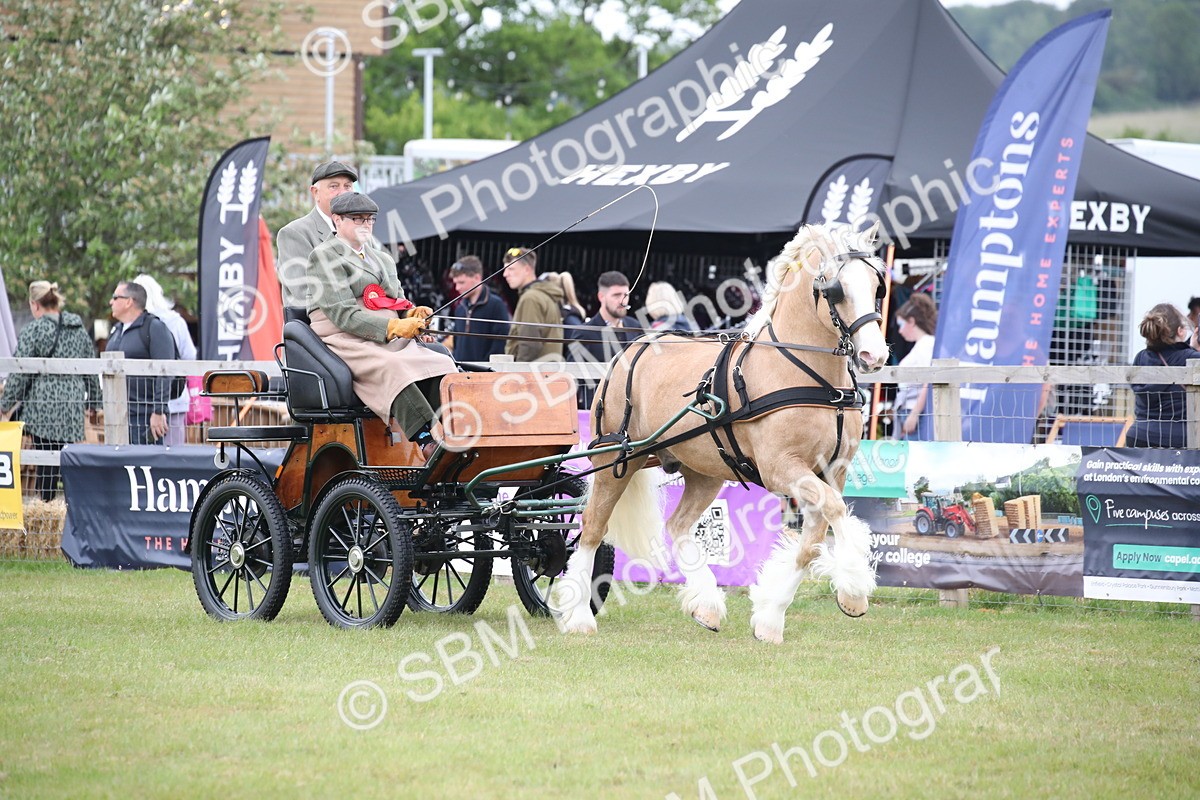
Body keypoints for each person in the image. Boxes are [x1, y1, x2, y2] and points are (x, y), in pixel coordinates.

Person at [307, 193, 456, 459]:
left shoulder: (382, 258)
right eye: (357, 219)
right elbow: (343, 314)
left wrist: (411, 313)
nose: (366, 224)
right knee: (393, 366)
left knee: (441, 363)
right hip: (344, 337)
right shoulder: (324, 257)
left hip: (387, 334)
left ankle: (453, 429)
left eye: (370, 219)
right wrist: (394, 327)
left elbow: (396, 300)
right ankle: (425, 440)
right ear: (337, 220)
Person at [0, 281, 102, 500]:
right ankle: (72, 507)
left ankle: (46, 507)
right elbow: (92, 370)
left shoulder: (34, 330)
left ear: (35, 304)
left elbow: (20, 372)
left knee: (45, 465)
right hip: (72, 408)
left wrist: (5, 405)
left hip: (43, 410)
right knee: (68, 463)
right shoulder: (78, 330)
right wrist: (95, 402)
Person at [277, 160, 357, 315]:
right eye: (334, 186)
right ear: (315, 193)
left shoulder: (361, 230)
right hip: (317, 324)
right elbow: (304, 293)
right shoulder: (294, 233)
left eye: (347, 186)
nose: (343, 193)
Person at [105, 281, 176, 445]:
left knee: (145, 460)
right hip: (117, 415)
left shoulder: (154, 327)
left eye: (115, 297)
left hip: (144, 418)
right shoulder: (117, 330)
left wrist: (158, 411)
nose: (111, 302)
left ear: (129, 301)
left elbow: (165, 371)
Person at [133, 274, 197, 445]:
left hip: (139, 402)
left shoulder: (134, 324)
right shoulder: (175, 321)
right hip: (175, 399)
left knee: (139, 455)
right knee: (173, 455)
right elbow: (190, 356)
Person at [1128, 303, 1200, 448]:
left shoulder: (1140, 357)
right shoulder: (1191, 358)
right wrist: (1193, 352)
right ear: (1180, 331)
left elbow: (1171, 358)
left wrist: (1192, 350)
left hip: (1140, 436)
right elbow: (1180, 358)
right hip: (1181, 439)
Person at [502, 247, 567, 362]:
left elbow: (529, 344)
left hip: (534, 370)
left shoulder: (531, 298)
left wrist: (518, 370)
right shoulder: (543, 295)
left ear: (526, 269)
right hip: (546, 369)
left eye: (511, 269)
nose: (505, 274)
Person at [445, 256, 511, 363]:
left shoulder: (496, 306)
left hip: (484, 371)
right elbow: (456, 343)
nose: (457, 288)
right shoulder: (460, 307)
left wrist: (485, 368)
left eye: (461, 282)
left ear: (477, 278)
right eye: (455, 283)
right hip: (460, 370)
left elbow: (500, 345)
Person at [892, 293, 937, 441]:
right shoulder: (923, 345)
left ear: (911, 321)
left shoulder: (926, 344)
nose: (900, 331)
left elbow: (929, 381)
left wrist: (914, 414)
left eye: (901, 324)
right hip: (911, 411)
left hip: (916, 412)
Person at [569, 271, 636, 364]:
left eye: (626, 295)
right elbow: (573, 371)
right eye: (616, 295)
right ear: (601, 297)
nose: (623, 301)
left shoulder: (636, 327)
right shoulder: (584, 333)